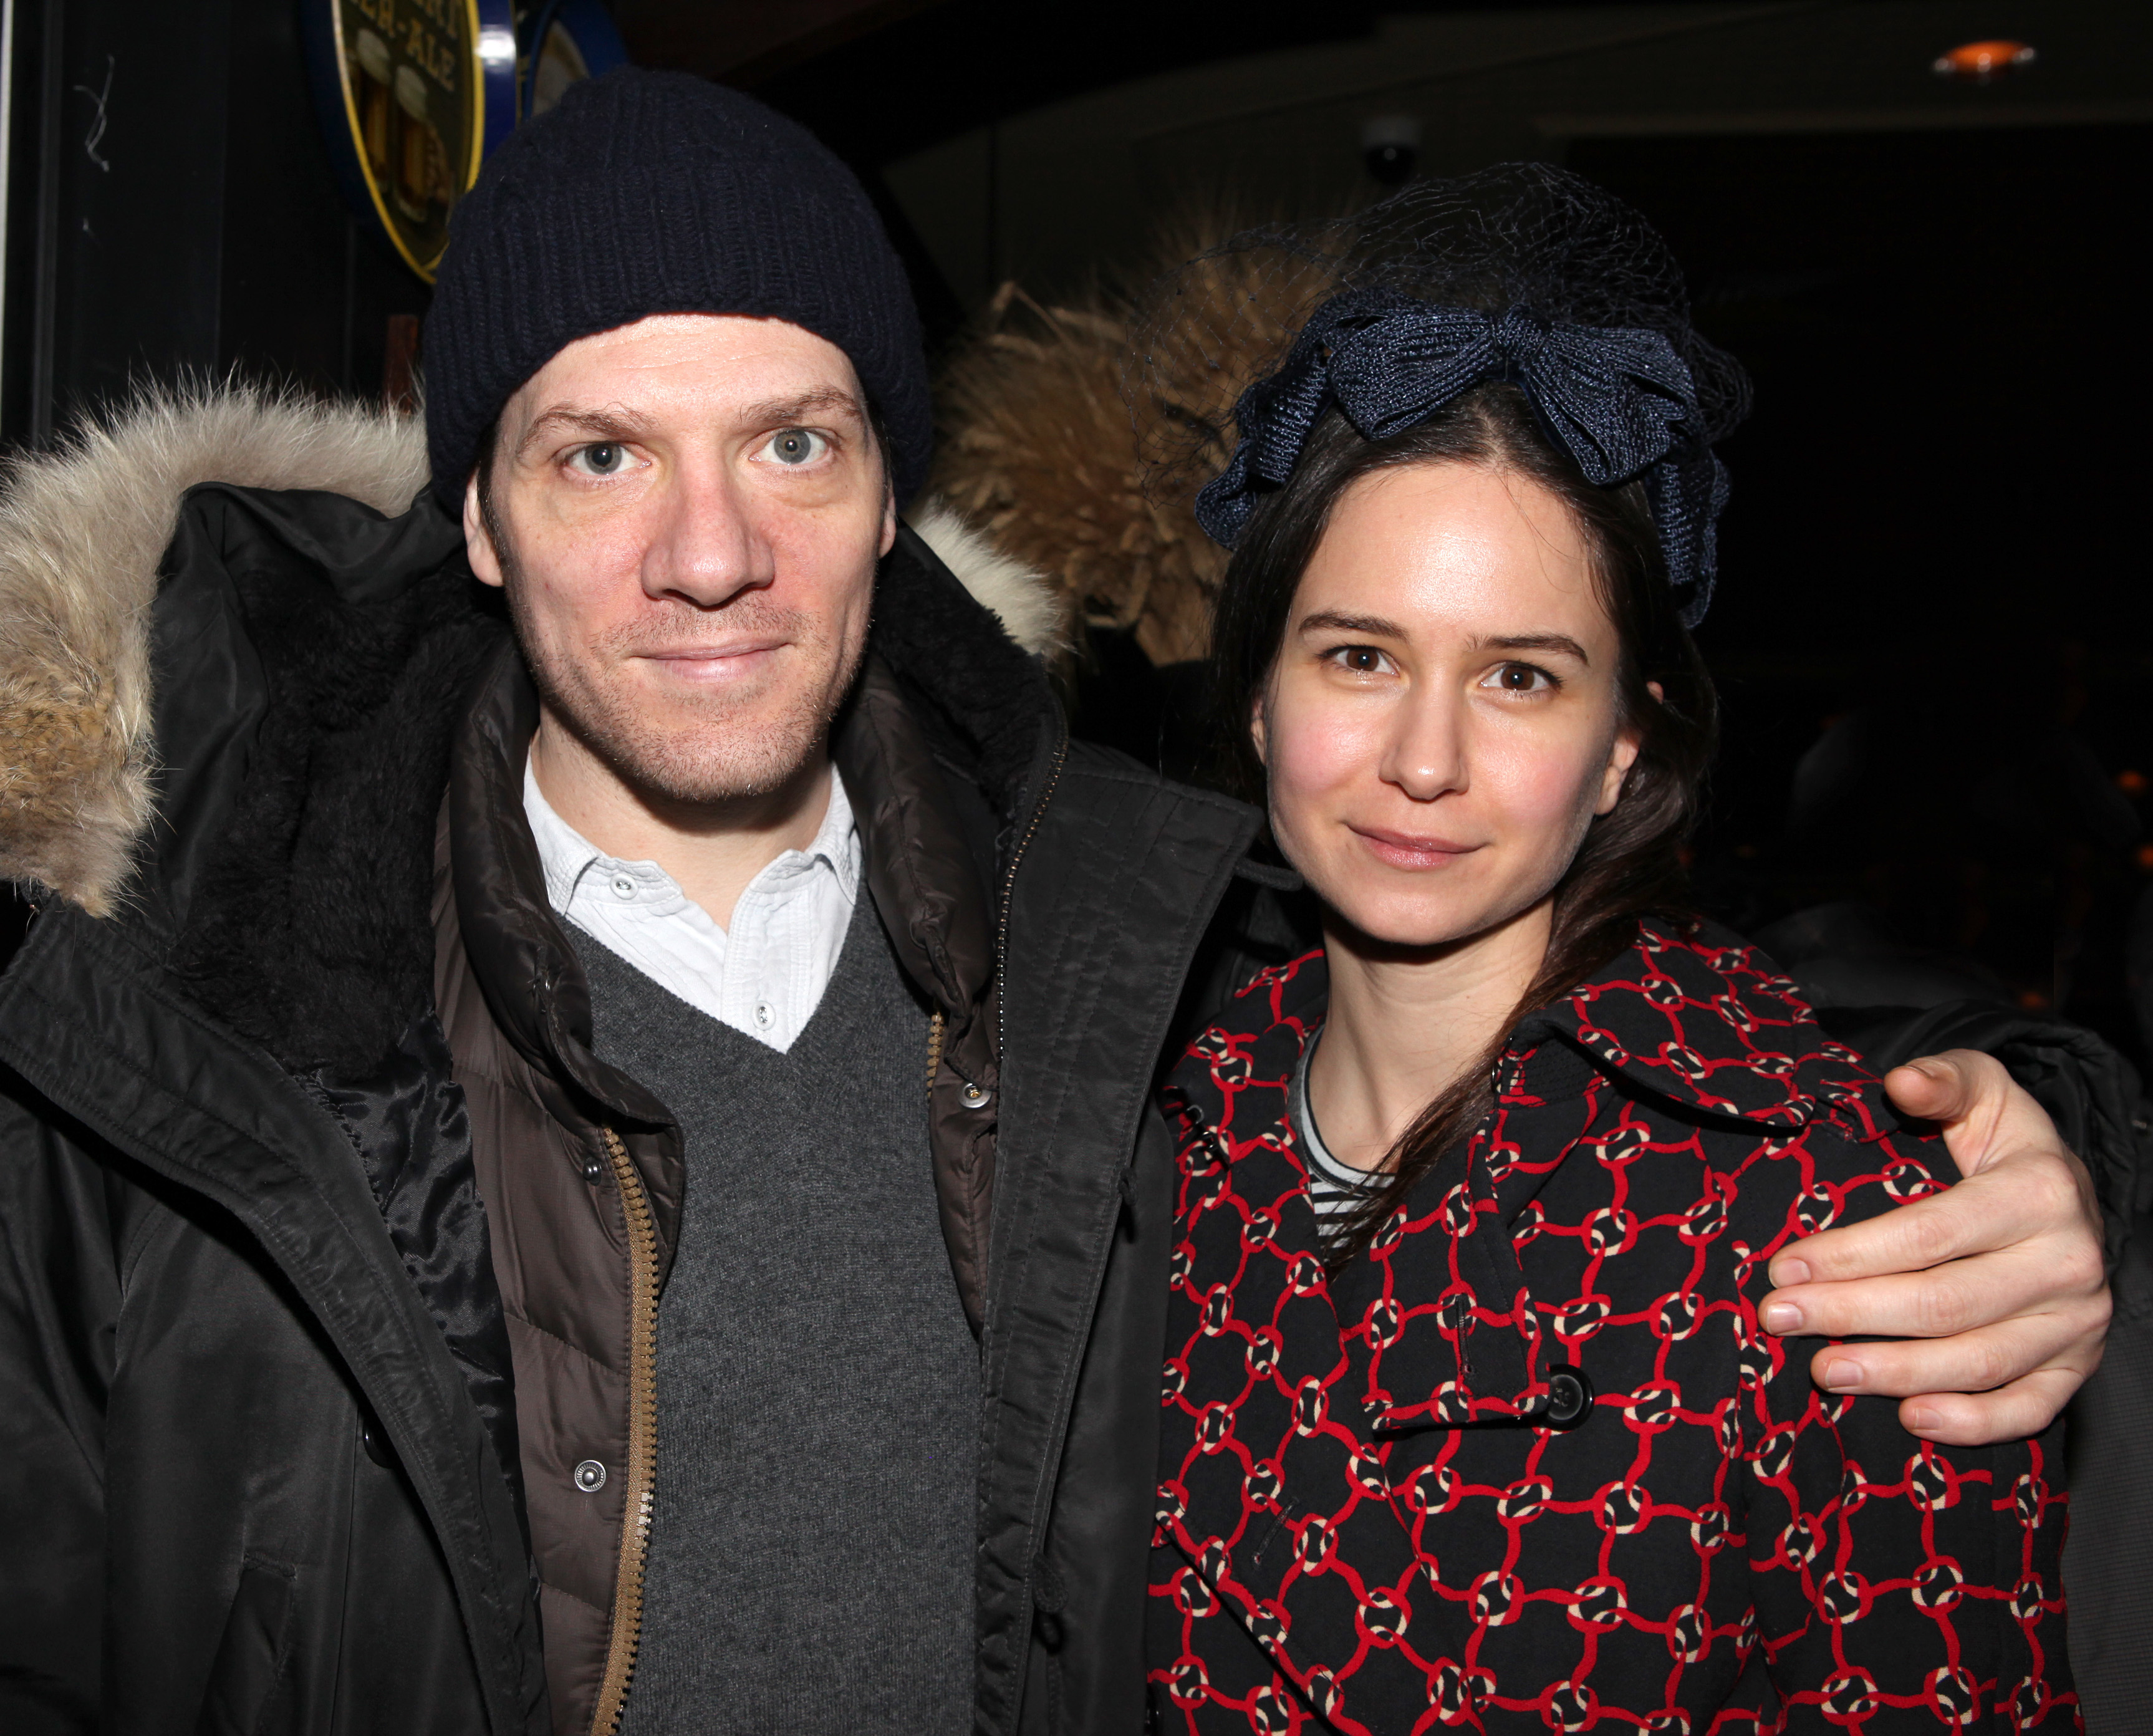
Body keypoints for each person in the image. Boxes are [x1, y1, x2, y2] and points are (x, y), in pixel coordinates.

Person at [0, 79, 2103, 1735]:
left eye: (794, 443)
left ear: (890, 500)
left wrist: (2060, 1126)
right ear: (474, 512)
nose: (710, 552)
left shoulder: (1109, 960)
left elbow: (1662, 1024)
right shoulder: (169, 1049)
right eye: (600, 456)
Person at [1146, 168, 2077, 1730]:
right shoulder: (1149, 1116)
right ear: (1257, 697)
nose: (1422, 760)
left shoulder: (1824, 1204)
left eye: (1518, 677)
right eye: (1359, 656)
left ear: (1626, 748)